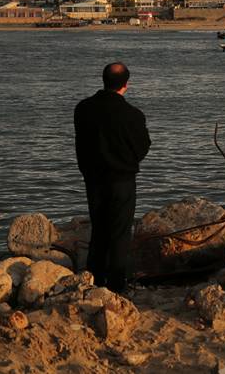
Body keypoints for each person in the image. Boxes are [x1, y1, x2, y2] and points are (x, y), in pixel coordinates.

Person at [74, 62, 151, 293]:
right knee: (120, 233)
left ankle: (95, 280)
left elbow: (82, 143)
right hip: (122, 180)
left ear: (103, 80)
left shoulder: (83, 108)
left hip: (93, 179)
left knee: (99, 229)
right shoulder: (133, 115)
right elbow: (143, 147)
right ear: (126, 84)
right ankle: (117, 286)